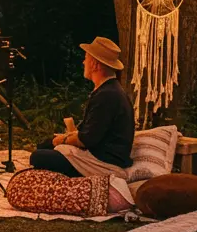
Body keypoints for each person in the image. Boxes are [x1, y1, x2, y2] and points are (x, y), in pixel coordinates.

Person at [30, 36, 135, 180]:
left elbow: (88, 139)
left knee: (39, 156)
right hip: (100, 154)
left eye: (86, 58)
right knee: (46, 144)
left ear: (95, 64)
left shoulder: (107, 95)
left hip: (104, 161)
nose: (83, 62)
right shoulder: (109, 90)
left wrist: (62, 140)